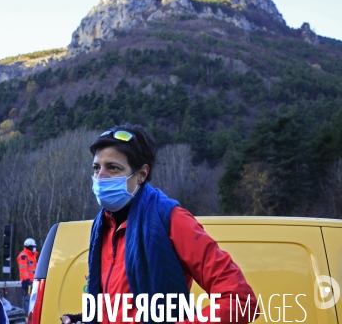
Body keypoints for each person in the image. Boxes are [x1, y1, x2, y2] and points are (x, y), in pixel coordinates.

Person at [61, 124, 258, 324]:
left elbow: (241, 302)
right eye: (96, 168)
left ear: (142, 174)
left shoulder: (171, 220)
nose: (100, 177)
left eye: (113, 168)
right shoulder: (102, 226)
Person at [17, 237, 38, 312]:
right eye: (33, 247)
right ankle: (27, 314)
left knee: (33, 298)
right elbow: (23, 270)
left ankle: (31, 312)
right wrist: (28, 281)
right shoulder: (24, 256)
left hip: (33, 281)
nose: (34, 248)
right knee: (28, 298)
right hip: (28, 282)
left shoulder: (32, 256)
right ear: (28, 247)